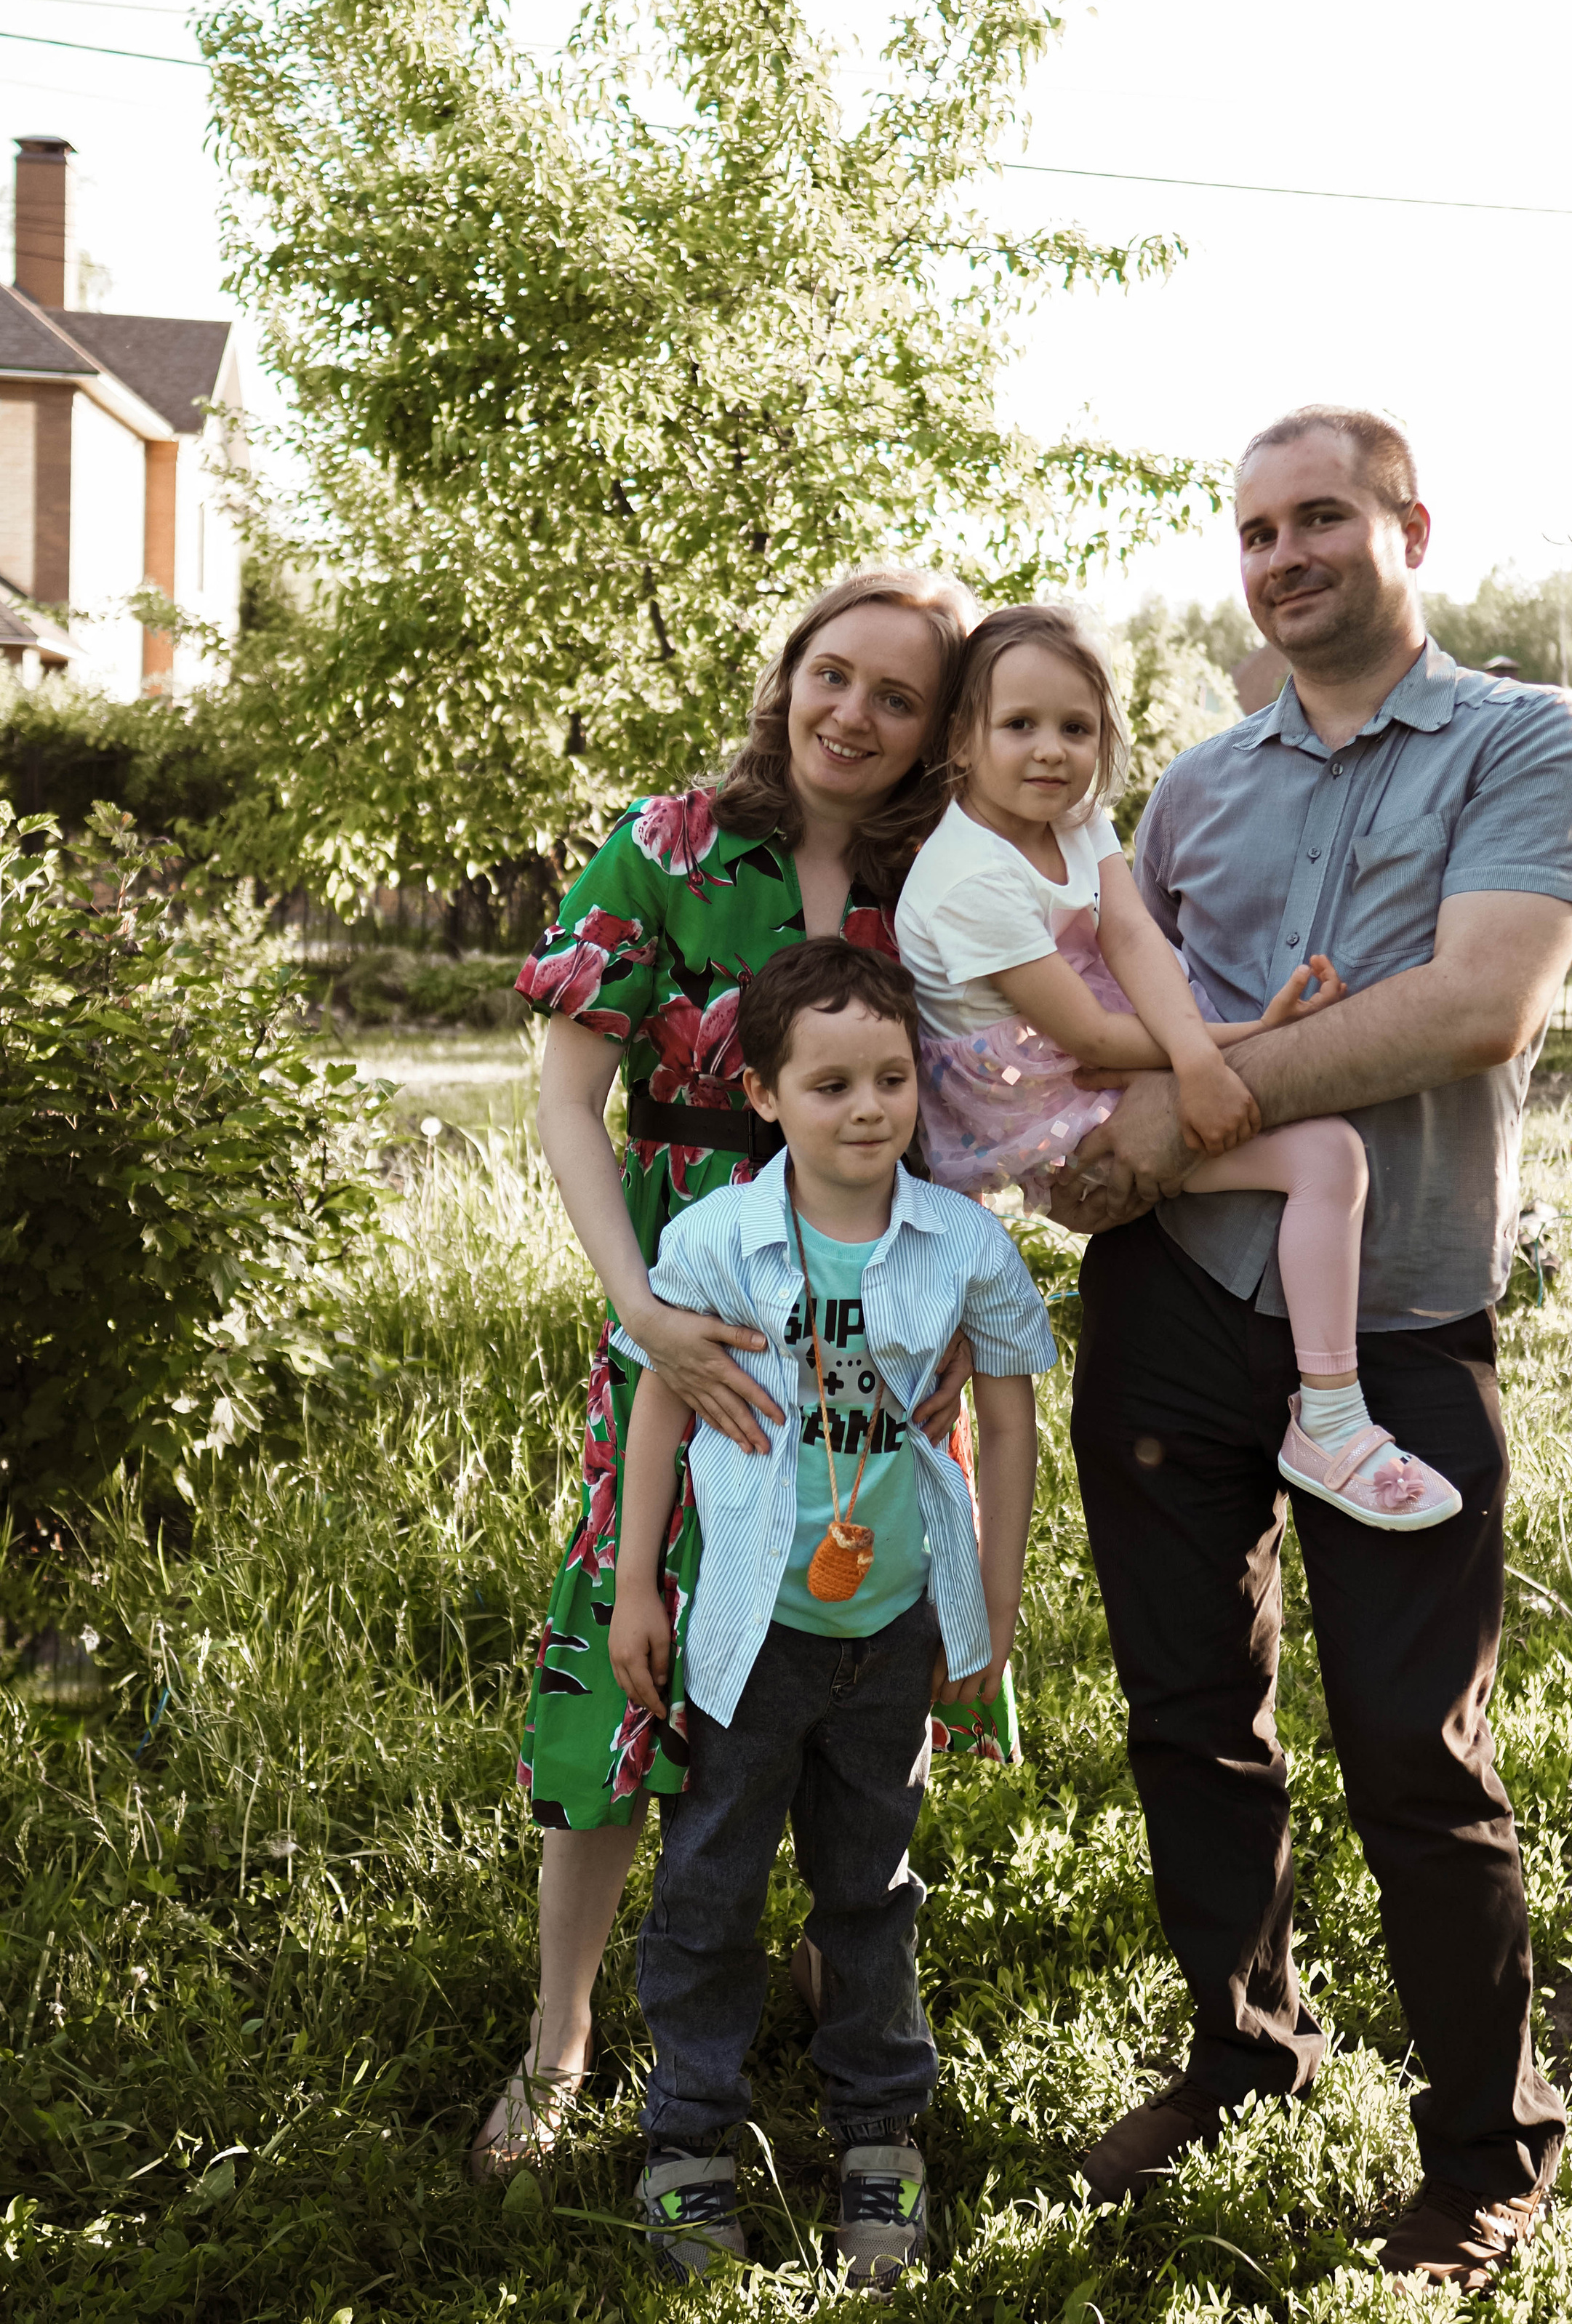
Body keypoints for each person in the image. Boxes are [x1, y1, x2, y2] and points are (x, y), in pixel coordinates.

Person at [1054, 407, 1572, 2295]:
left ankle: (1484, 2149)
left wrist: (1183, 1115)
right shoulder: (1197, 788)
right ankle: (1243, 2046)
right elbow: (1113, 1020)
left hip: (1397, 1324)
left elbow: (1478, 1002)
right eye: (1255, 530)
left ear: (1409, 527)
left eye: (1318, 519)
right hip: (1170, 1314)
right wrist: (1085, 1137)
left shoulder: (1527, 738)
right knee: (1190, 1712)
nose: (1281, 555)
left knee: (1411, 1742)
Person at [470, 566, 983, 2181]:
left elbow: (1006, 1094)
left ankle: (843, 1959)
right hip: (691, 1296)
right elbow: (567, 1098)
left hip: (880, 1312)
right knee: (628, 1662)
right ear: (789, 675)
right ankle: (559, 2040)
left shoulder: (950, 881)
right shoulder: (671, 844)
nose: (853, 713)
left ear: (934, 729)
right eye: (832, 674)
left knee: (851, 1626)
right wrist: (643, 1316)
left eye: (897, 695)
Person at [607, 938, 1054, 2284]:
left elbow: (1010, 1412)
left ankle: (878, 2134)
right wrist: (636, 1581)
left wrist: (998, 1598)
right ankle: (688, 2141)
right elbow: (661, 1403)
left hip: (894, 1632)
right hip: (751, 1637)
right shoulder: (714, 1240)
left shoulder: (961, 1243)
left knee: (870, 1889)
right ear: (762, 1095)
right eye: (830, 1084)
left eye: (892, 1077)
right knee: (707, 1888)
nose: (868, 1108)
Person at [897, 601, 1461, 1529]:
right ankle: (1329, 1418)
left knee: (1319, 1153)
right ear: (963, 738)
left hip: (1098, 1056)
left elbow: (1132, 936)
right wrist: (1232, 1047)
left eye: (1075, 728)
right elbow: (1092, 1042)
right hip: (1038, 1107)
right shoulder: (967, 877)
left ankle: (1324, 1408)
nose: (1050, 751)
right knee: (1327, 1159)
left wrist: (1218, 1041)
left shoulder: (1070, 815)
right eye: (1019, 725)